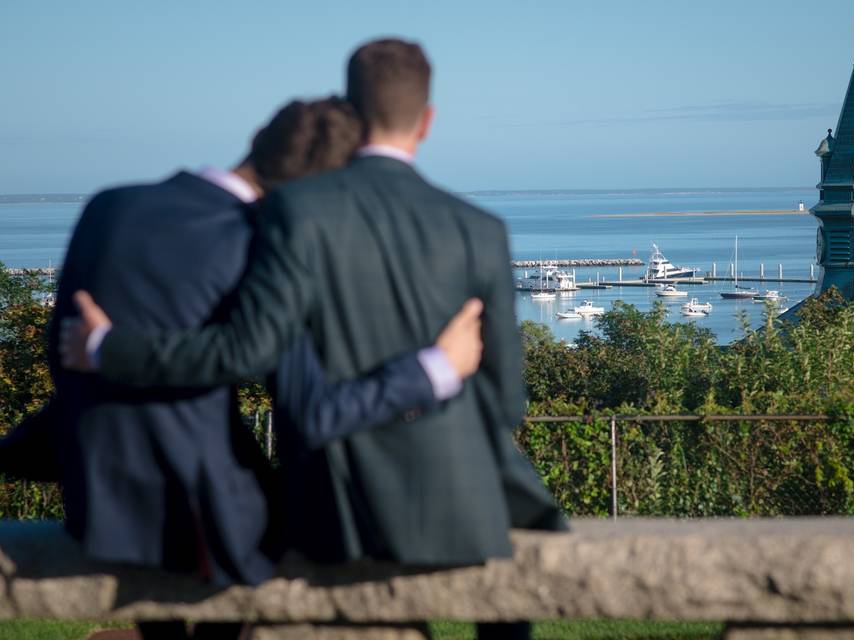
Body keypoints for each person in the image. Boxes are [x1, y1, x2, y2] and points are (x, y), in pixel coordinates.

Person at [62, 39, 565, 639]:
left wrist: (106, 349)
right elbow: (507, 404)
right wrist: (436, 374)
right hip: (450, 503)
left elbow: (260, 362)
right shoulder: (480, 228)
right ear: (428, 120)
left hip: (312, 505)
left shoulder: (286, 215)